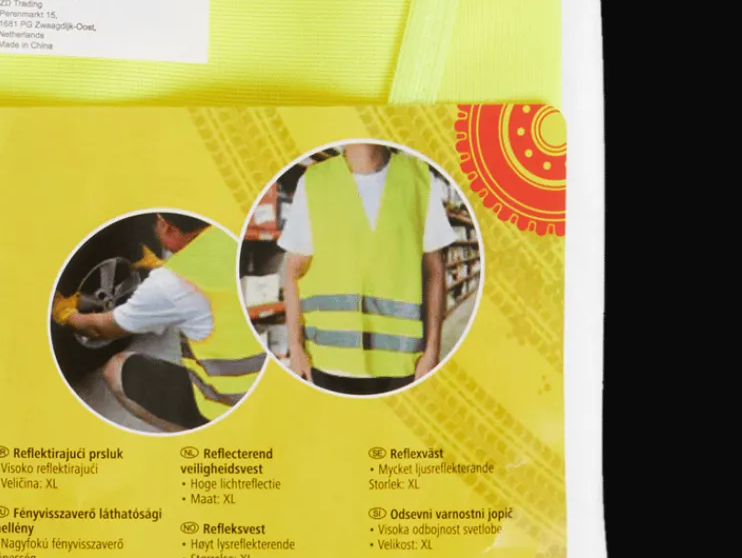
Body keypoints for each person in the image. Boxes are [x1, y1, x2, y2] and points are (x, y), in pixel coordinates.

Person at [53, 213, 265, 433]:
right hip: (263, 392)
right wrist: (160, 269)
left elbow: (99, 329)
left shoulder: (168, 282)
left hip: (227, 407)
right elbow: (201, 280)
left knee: (115, 369)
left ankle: (202, 435)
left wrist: (66, 314)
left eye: (155, 226)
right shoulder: (226, 237)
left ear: (166, 226)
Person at [278, 144, 455, 396]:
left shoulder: (419, 178)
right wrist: (295, 348)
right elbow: (292, 272)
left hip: (404, 366)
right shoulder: (314, 182)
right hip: (326, 365)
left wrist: (432, 351)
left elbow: (435, 273)